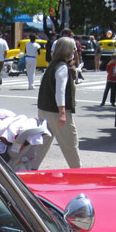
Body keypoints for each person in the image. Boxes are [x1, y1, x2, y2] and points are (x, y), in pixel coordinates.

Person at [31, 37, 81, 170]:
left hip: (44, 109)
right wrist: (62, 113)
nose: (74, 51)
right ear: (68, 51)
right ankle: (77, 171)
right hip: (55, 112)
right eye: (73, 49)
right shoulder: (62, 67)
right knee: (70, 144)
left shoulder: (52, 65)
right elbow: (60, 91)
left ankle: (30, 168)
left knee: (42, 143)